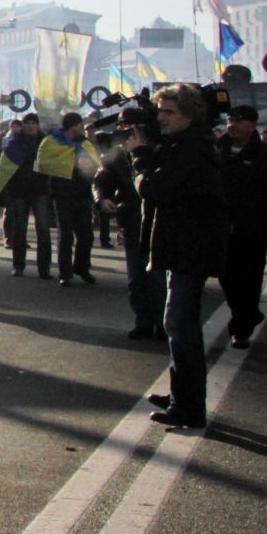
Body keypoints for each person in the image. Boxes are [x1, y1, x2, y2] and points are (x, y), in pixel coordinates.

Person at [132, 83, 227, 431]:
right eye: (159, 111)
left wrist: (140, 157)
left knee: (180, 325)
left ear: (189, 115)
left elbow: (156, 189)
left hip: (191, 247)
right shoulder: (187, 144)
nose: (161, 118)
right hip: (183, 245)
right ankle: (179, 396)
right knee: (178, 324)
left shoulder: (194, 149)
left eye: (169, 112)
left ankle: (189, 407)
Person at [217, 103, 267, 349]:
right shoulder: (216, 151)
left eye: (238, 120)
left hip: (252, 233)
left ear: (252, 124)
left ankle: (241, 329)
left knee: (249, 281)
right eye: (229, 120)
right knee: (227, 280)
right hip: (221, 231)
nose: (232, 124)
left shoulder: (266, 157)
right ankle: (247, 314)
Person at [96, 130, 161, 338]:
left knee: (158, 278)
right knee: (136, 279)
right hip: (130, 222)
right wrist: (102, 198)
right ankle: (143, 321)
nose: (127, 138)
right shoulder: (117, 156)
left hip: (159, 224)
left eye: (132, 131)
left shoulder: (162, 151)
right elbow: (100, 180)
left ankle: (162, 323)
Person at [40, 111, 100, 287]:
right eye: (80, 124)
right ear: (74, 126)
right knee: (65, 235)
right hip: (61, 194)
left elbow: (94, 163)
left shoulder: (84, 143)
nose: (82, 127)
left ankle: (82, 268)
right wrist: (71, 164)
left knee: (86, 236)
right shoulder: (50, 142)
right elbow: (44, 163)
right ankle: (65, 273)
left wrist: (88, 165)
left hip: (82, 194)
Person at [0, 113, 54, 279]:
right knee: (19, 229)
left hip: (40, 191)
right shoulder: (14, 141)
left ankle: (44, 269)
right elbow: (2, 162)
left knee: (43, 230)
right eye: (27, 123)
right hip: (19, 191)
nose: (30, 125)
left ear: (38, 125)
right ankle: (18, 266)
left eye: (33, 122)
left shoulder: (46, 142)